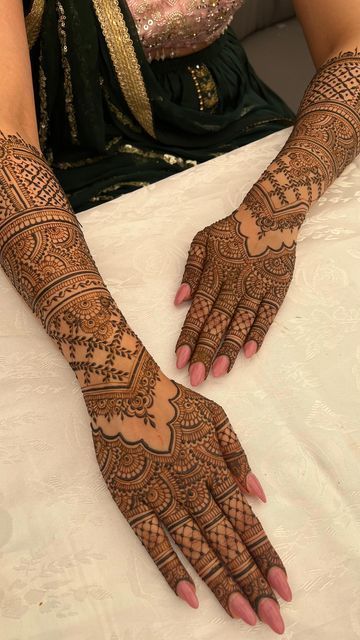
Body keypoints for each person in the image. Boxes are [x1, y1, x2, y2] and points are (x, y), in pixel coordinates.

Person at [0, 0, 359, 635]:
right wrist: (120, 381)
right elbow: (5, 133)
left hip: (236, 128)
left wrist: (274, 209)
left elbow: (352, 41)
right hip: (65, 169)